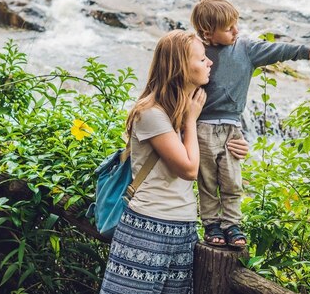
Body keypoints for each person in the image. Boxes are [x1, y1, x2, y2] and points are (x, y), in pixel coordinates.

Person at [99, 30, 248, 294]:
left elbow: (207, 156)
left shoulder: (188, 110)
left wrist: (235, 147)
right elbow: (189, 169)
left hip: (184, 230)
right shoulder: (151, 114)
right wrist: (191, 121)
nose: (210, 63)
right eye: (202, 59)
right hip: (147, 229)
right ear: (180, 66)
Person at [190, 0, 310, 248]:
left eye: (236, 24)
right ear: (207, 32)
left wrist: (305, 51)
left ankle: (232, 224)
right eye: (228, 28)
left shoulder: (245, 48)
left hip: (232, 127)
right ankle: (211, 224)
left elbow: (275, 50)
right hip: (202, 127)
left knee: (231, 179)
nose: (236, 30)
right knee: (207, 180)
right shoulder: (196, 53)